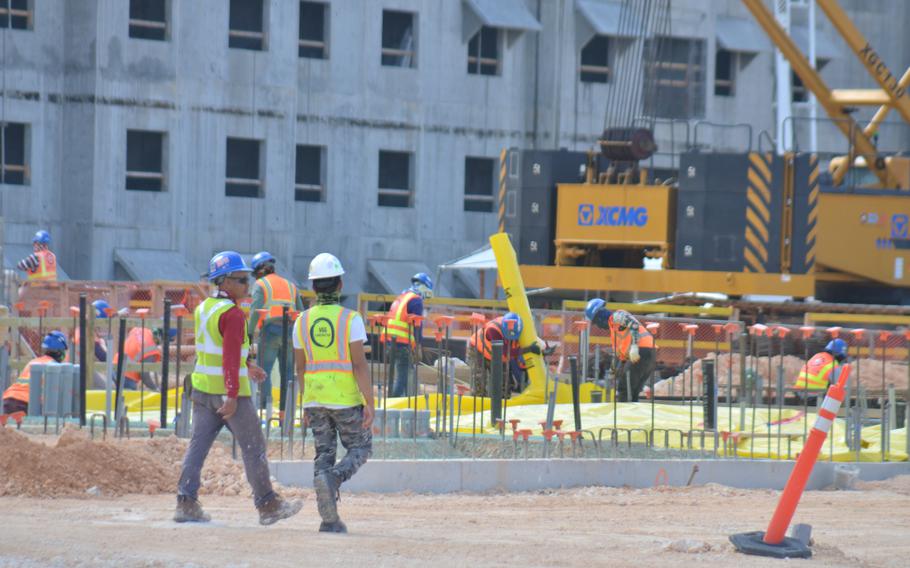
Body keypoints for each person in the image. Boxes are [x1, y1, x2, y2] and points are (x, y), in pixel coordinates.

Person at [175, 251, 302, 525]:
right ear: (224, 283)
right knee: (254, 446)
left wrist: (248, 365)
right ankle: (267, 505)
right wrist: (232, 395)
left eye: (248, 279)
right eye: (242, 279)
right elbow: (229, 358)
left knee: (197, 447)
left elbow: (219, 348)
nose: (248, 285)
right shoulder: (232, 314)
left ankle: (185, 503)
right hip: (228, 395)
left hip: (202, 390)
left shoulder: (205, 308)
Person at [294, 253, 374, 533]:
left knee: (323, 455)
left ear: (313, 287)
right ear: (340, 285)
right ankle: (335, 479)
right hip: (344, 400)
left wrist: (305, 404)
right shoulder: (350, 319)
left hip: (314, 399)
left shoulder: (300, 322)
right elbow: (359, 364)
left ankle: (329, 520)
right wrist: (370, 402)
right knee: (362, 447)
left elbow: (300, 368)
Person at [248, 251, 305, 408]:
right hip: (290, 331)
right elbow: (301, 312)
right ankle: (284, 414)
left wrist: (248, 334)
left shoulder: (261, 284)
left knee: (263, 371)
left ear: (259, 271)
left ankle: (264, 409)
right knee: (287, 374)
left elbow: (255, 312)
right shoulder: (291, 285)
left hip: (270, 331)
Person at [585, 299, 656, 402]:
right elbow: (620, 355)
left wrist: (635, 347)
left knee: (624, 389)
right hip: (647, 353)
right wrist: (614, 371)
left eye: (596, 323)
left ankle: (623, 416)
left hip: (640, 351)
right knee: (633, 391)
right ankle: (632, 416)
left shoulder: (617, 317)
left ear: (599, 317)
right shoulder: (614, 330)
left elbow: (634, 326)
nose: (599, 327)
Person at [468, 312, 546, 396]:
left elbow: (538, 342)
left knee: (504, 383)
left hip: (500, 354)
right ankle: (479, 398)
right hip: (479, 350)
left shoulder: (521, 328)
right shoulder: (493, 330)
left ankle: (502, 400)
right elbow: (505, 352)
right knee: (480, 379)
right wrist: (528, 349)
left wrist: (543, 349)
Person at [383, 273, 433, 397]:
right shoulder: (416, 300)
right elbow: (417, 325)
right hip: (401, 342)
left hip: (390, 340)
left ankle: (404, 399)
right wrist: (418, 346)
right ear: (425, 288)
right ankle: (392, 403)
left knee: (402, 372)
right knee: (403, 377)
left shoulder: (402, 297)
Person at [2, 332, 67, 414]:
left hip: (7, 400)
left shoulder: (33, 362)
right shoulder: (55, 368)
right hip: (26, 403)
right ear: (59, 352)